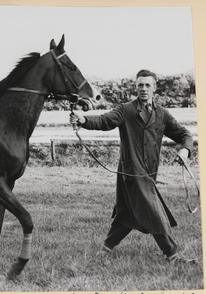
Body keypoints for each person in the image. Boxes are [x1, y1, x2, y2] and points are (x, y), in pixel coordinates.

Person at [72, 69, 196, 264]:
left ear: (155, 88)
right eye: (140, 85)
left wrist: (185, 150)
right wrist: (84, 120)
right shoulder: (126, 109)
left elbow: (184, 134)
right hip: (131, 172)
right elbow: (105, 120)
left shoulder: (162, 114)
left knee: (127, 214)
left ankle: (106, 248)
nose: (143, 88)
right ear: (135, 87)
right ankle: (173, 255)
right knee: (155, 213)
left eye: (147, 85)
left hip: (150, 174)